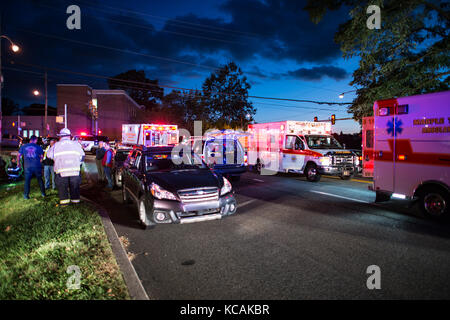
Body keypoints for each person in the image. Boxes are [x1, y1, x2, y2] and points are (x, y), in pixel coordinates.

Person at [47, 128, 85, 206]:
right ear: (69, 136)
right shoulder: (76, 144)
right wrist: (78, 164)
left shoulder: (56, 145)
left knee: (62, 188)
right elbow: (82, 156)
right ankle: (76, 203)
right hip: (74, 171)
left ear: (60, 136)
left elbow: (49, 155)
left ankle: (64, 205)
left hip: (61, 172)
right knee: (75, 188)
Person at [17, 135, 45, 199]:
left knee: (27, 181)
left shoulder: (24, 146)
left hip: (27, 166)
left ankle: (26, 195)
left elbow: (18, 155)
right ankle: (43, 193)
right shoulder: (38, 147)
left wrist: (18, 163)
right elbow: (41, 157)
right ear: (36, 140)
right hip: (37, 166)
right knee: (40, 180)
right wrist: (40, 161)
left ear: (30, 139)